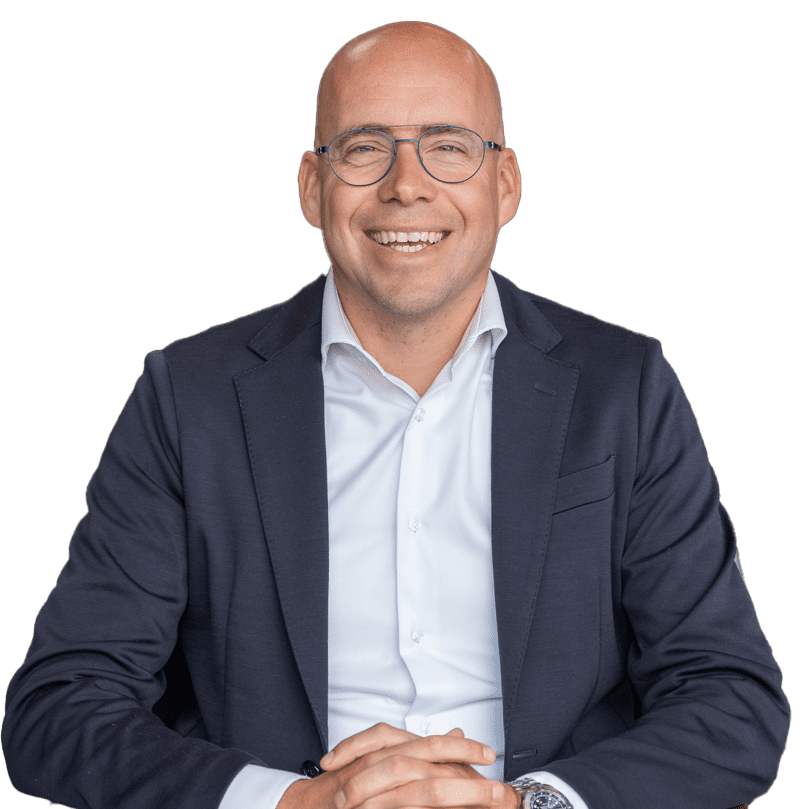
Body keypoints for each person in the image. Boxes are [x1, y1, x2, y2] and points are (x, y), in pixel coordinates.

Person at [2, 20, 789, 809]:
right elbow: (59, 708)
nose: (406, 185)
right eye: (363, 148)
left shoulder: (625, 387)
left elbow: (733, 701)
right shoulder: (188, 398)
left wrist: (527, 804)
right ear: (313, 187)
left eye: (448, 146)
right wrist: (290, 803)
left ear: (505, 185)